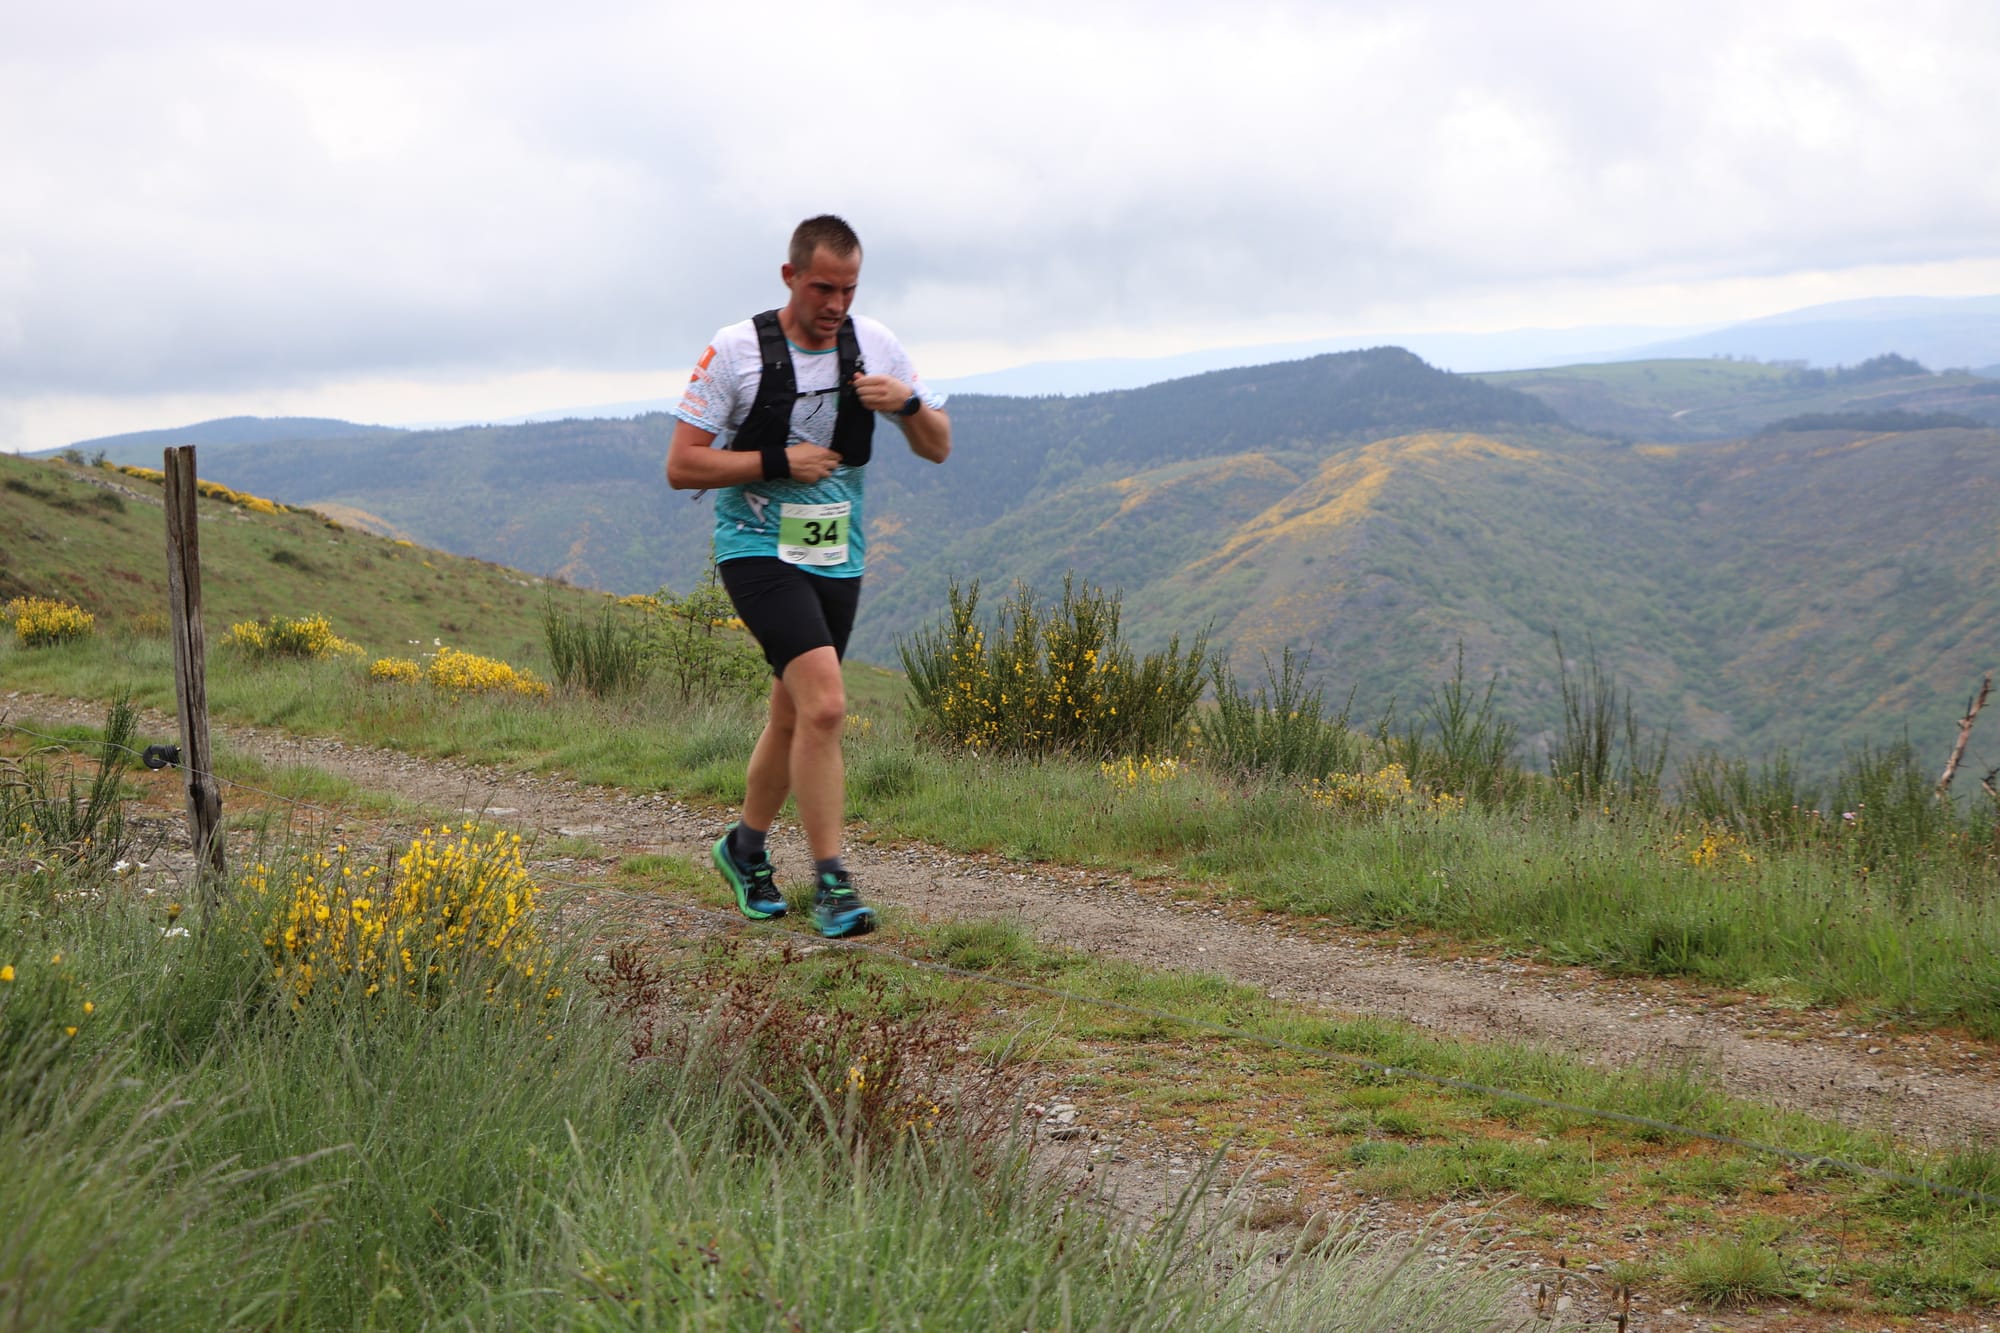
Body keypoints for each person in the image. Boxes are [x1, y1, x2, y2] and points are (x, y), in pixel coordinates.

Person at [665, 214, 951, 937]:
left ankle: (744, 848)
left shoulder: (874, 344)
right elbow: (682, 464)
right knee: (825, 705)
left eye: (848, 289)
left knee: (793, 714)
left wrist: (908, 406)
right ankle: (833, 884)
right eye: (822, 287)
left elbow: (938, 447)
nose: (835, 304)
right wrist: (776, 462)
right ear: (791, 276)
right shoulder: (736, 351)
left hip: (836, 552)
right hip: (755, 547)